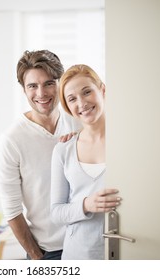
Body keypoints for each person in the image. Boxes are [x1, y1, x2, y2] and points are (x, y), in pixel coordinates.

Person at [0, 50, 81, 260]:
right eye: (32, 86)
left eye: (49, 83)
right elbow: (11, 209)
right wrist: (36, 256)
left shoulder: (78, 123)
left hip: (87, 241)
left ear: (61, 83)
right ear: (24, 90)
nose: (41, 93)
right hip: (49, 251)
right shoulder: (11, 140)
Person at [50, 64, 121, 260]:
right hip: (78, 255)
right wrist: (86, 205)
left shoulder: (127, 142)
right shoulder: (63, 150)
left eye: (87, 92)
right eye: (72, 99)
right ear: (67, 107)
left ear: (103, 90)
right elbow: (56, 212)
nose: (81, 103)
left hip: (127, 249)